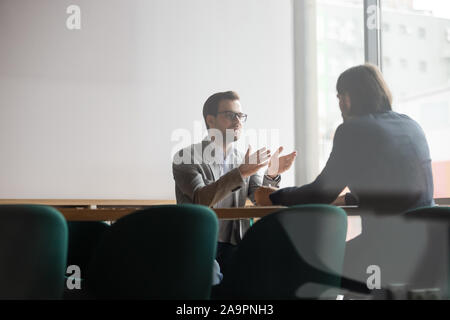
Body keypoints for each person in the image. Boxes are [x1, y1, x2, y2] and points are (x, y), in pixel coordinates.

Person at [255, 64, 434, 214]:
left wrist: (274, 196)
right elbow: (395, 188)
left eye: (339, 97)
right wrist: (344, 198)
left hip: (390, 243)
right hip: (431, 242)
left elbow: (320, 193)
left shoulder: (353, 131)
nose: (339, 104)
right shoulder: (411, 125)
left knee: (307, 256)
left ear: (347, 99)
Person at [172, 91, 296, 280]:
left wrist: (271, 174)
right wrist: (241, 173)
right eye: (230, 115)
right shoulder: (185, 157)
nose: (238, 121)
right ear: (210, 120)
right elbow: (200, 199)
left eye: (241, 116)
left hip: (236, 245)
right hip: (198, 242)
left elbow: (259, 200)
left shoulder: (244, 160)